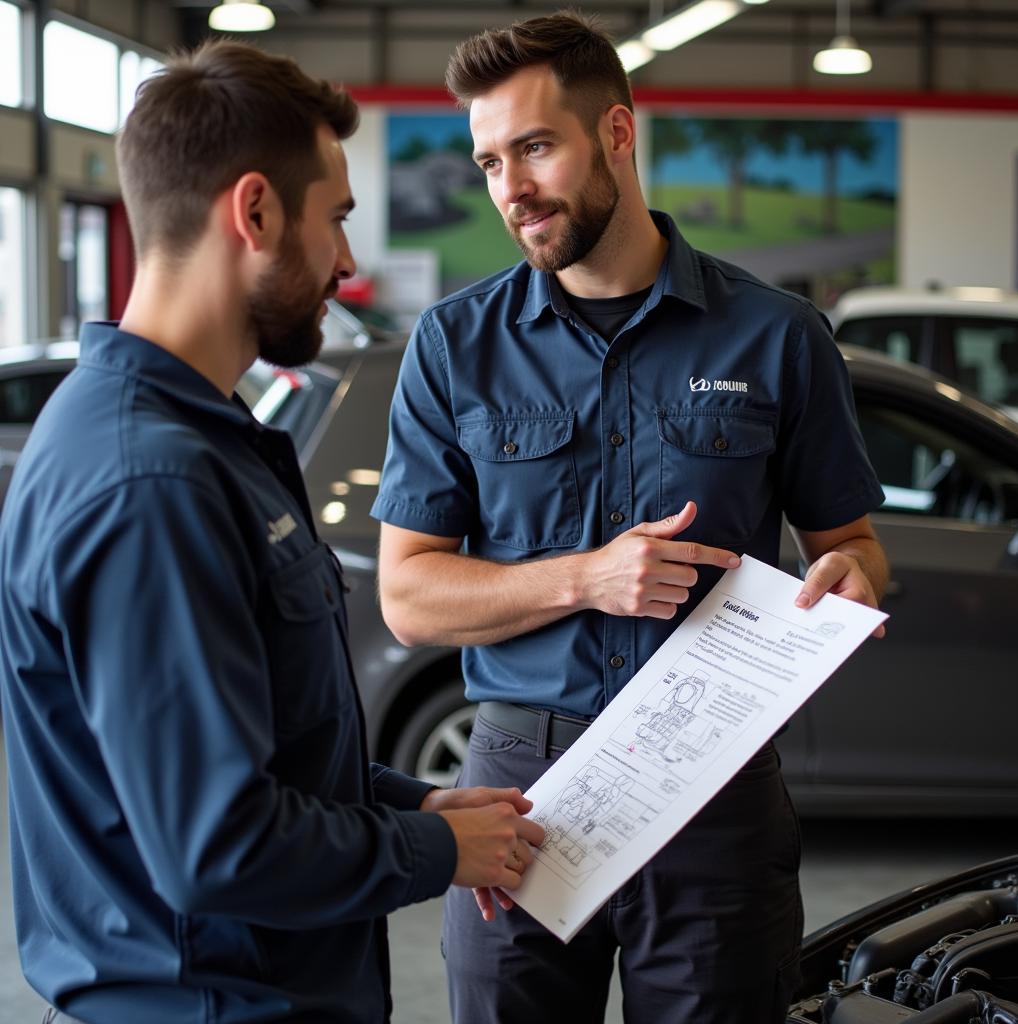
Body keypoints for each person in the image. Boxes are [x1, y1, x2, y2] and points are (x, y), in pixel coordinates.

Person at [0, 41, 544, 1024]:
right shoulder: (149, 482)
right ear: (253, 211)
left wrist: (410, 805)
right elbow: (217, 843)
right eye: (333, 219)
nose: (346, 262)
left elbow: (263, 751)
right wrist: (436, 852)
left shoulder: (194, 444)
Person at [371, 12, 889, 1024]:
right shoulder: (453, 346)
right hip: (518, 790)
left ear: (616, 132)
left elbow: (852, 544)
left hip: (713, 785)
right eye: (487, 161)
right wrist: (583, 575)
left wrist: (856, 577)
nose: (508, 188)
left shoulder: (777, 338)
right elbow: (407, 596)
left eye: (533, 146)